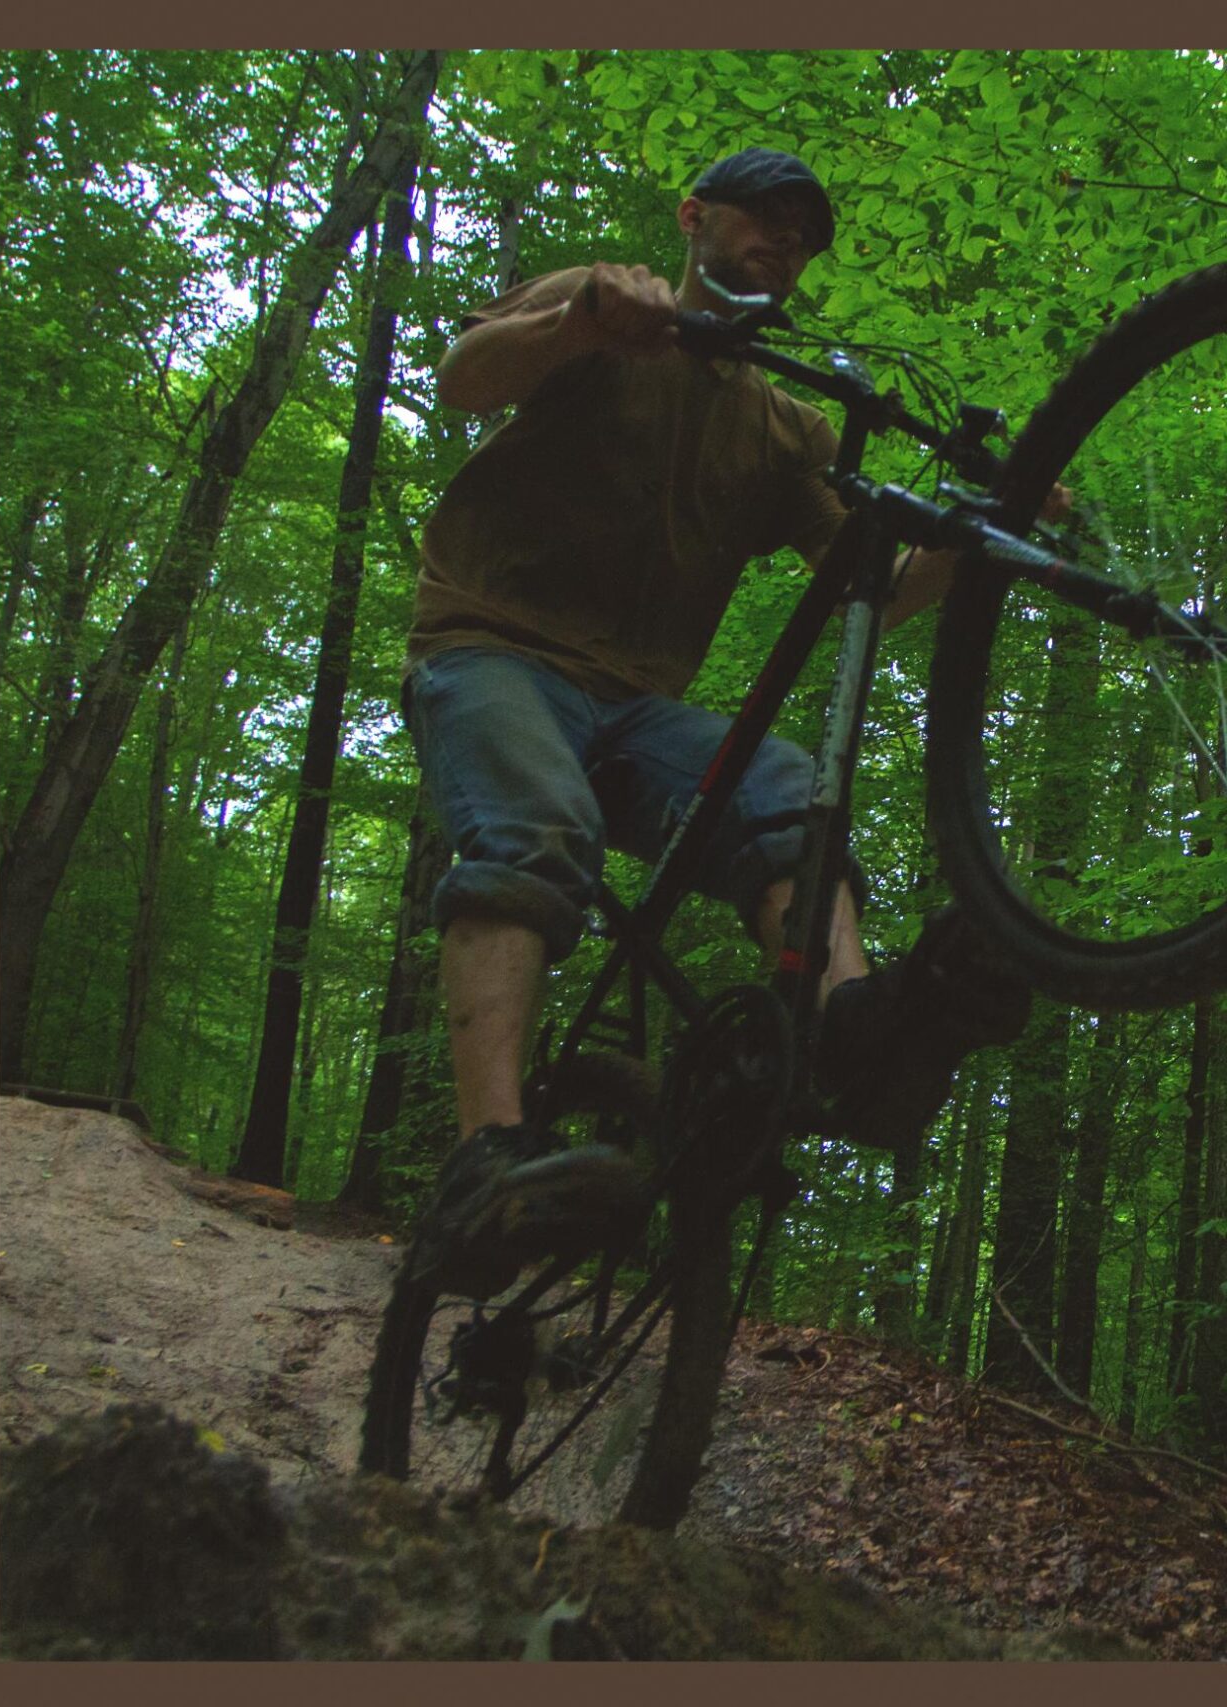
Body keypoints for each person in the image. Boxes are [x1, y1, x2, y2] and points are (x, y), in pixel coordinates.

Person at [398, 147, 1034, 1296]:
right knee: (534, 827)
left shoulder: (784, 428)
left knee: (789, 794)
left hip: (638, 706)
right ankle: (484, 1157)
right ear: (694, 218)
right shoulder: (598, 298)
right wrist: (584, 320)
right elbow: (463, 377)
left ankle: (848, 1026)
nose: (785, 241)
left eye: (804, 233)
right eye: (765, 218)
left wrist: (985, 528)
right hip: (492, 646)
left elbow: (872, 588)